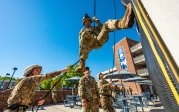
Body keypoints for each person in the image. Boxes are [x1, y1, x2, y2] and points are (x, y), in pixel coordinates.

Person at [76, 3, 135, 72]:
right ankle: (82, 64)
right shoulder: (82, 30)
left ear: (90, 21)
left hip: (99, 39)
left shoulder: (94, 27)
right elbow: (81, 42)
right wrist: (83, 57)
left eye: (88, 21)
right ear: (84, 23)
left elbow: (102, 28)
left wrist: (97, 21)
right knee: (83, 34)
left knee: (106, 24)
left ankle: (123, 23)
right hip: (91, 44)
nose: (87, 22)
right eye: (85, 21)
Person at [4, 64, 70, 112]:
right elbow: (47, 76)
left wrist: (37, 101)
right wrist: (63, 71)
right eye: (37, 70)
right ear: (30, 71)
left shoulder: (25, 82)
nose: (39, 72)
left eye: (39, 71)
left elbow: (23, 96)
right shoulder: (28, 79)